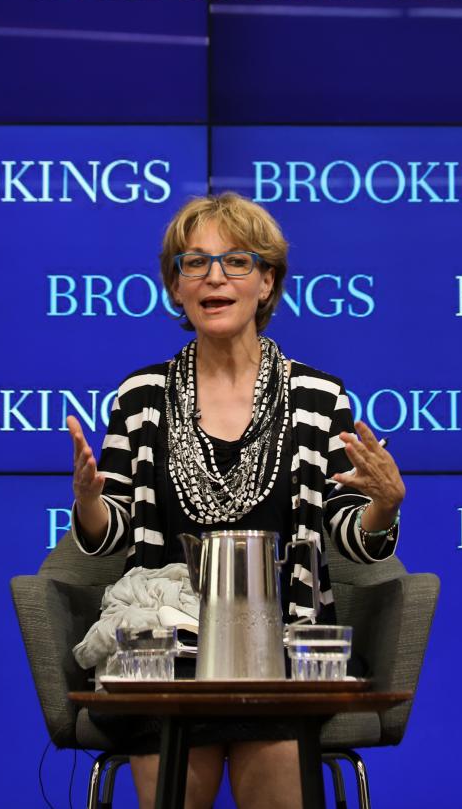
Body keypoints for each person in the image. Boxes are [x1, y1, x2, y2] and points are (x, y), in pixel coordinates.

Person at [66, 192, 406, 809]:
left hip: (278, 654)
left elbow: (349, 533)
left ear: (267, 282)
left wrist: (384, 505)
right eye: (193, 263)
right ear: (175, 287)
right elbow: (110, 534)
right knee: (168, 723)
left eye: (236, 262)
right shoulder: (141, 396)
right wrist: (89, 499)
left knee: (268, 719)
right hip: (163, 652)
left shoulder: (317, 397)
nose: (214, 277)